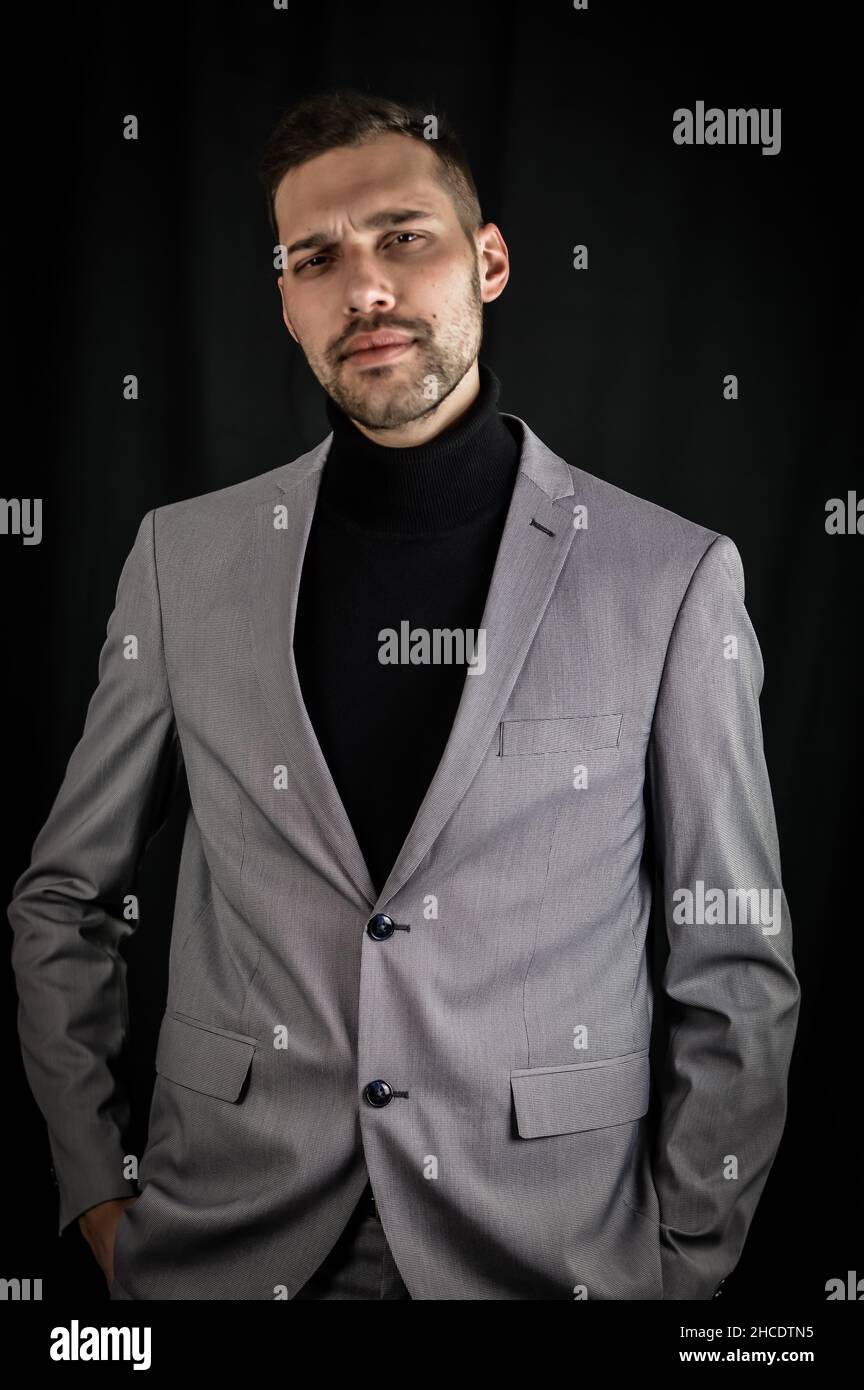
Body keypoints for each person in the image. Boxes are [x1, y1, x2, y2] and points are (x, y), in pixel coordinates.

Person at [7, 88, 800, 1300]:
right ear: (284, 300)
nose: (364, 287)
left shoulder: (672, 575)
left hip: (547, 1256)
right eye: (316, 258)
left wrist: (685, 1267)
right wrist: (99, 1198)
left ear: (488, 262)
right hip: (219, 1247)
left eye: (403, 238)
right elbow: (67, 895)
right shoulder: (183, 559)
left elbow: (733, 954)